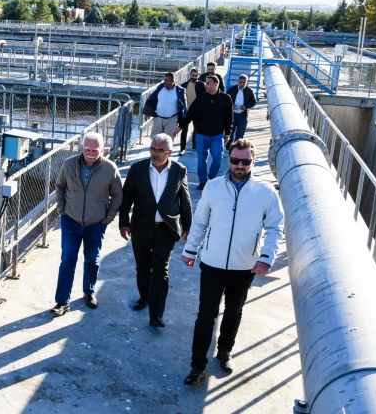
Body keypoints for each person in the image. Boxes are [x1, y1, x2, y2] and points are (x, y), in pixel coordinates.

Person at [180, 139, 284, 386]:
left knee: (234, 311)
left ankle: (225, 351)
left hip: (244, 266)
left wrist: (266, 258)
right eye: (235, 160)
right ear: (228, 159)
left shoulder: (265, 193)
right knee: (206, 314)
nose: (240, 165)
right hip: (212, 263)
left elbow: (275, 228)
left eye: (245, 161)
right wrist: (190, 250)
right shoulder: (214, 188)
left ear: (253, 162)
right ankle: (197, 365)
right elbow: (200, 222)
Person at [119, 133, 192, 328]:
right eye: (153, 149)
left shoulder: (179, 171)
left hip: (166, 230)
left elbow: (185, 200)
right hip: (141, 227)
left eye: (160, 150)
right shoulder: (137, 169)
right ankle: (144, 297)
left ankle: (156, 314)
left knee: (160, 270)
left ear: (169, 152)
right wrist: (123, 222)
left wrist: (188, 226)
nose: (155, 153)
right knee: (143, 267)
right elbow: (127, 199)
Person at [51, 132, 123, 316]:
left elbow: (117, 195)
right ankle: (62, 301)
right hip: (71, 221)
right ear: (81, 148)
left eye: (95, 150)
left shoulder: (110, 169)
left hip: (96, 223)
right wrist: (62, 210)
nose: (91, 154)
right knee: (67, 259)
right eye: (87, 149)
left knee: (92, 260)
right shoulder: (69, 164)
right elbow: (60, 187)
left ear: (103, 150)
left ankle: (89, 292)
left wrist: (107, 219)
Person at [177, 75, 232, 191]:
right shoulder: (201, 99)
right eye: (206, 83)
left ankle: (211, 177)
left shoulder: (226, 98)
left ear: (215, 85)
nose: (205, 85)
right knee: (202, 160)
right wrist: (180, 127)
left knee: (217, 157)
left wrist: (228, 133)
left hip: (217, 135)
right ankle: (202, 181)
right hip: (201, 135)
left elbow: (229, 118)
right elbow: (190, 114)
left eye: (208, 83)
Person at [143, 72, 188, 139]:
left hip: (172, 120)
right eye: (164, 80)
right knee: (154, 139)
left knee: (168, 141)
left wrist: (182, 124)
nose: (164, 82)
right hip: (158, 119)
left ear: (172, 81)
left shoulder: (180, 91)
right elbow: (151, 99)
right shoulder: (160, 88)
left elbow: (183, 107)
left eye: (166, 80)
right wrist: (147, 113)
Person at [225, 74, 257, 149]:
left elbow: (254, 101)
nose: (242, 84)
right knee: (230, 133)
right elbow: (225, 100)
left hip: (242, 115)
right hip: (232, 114)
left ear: (246, 82)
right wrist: (230, 106)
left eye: (244, 82)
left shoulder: (249, 91)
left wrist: (246, 106)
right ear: (238, 82)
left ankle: (237, 148)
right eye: (240, 82)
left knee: (240, 134)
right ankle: (228, 147)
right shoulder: (231, 89)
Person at [178, 68, 206, 156]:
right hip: (186, 111)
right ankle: (182, 148)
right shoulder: (184, 85)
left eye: (196, 75)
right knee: (184, 130)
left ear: (198, 75)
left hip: (197, 110)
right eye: (193, 75)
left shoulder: (202, 85)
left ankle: (194, 145)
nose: (194, 77)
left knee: (196, 129)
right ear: (190, 75)